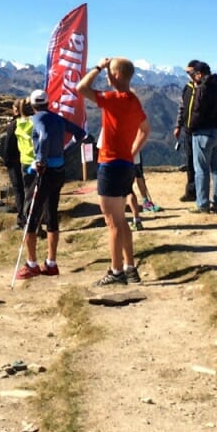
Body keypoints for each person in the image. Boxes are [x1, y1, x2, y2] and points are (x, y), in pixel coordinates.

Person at [77, 57, 150, 286]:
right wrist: (132, 151)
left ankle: (116, 271)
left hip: (110, 164)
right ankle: (130, 268)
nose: (107, 76)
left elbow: (81, 88)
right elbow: (145, 130)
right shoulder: (134, 100)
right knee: (121, 220)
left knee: (113, 223)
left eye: (110, 72)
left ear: (117, 75)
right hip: (126, 165)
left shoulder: (112, 99)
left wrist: (98, 66)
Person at [15, 89, 87, 279]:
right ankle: (51, 263)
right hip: (59, 171)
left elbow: (44, 136)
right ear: (47, 103)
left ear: (32, 105)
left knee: (30, 215)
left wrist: (41, 160)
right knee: (51, 214)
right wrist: (65, 151)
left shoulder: (37, 119)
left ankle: (32, 264)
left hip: (44, 173)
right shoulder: (57, 118)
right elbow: (80, 133)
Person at [187, 62, 217, 212]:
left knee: (201, 170)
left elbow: (197, 111)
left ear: (199, 73)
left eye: (194, 75)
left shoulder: (202, 88)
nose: (193, 78)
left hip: (203, 133)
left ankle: (203, 204)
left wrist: (191, 128)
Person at [173, 61, 199, 202]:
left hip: (201, 131)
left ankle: (202, 193)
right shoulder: (187, 88)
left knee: (201, 163)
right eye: (187, 73)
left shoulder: (204, 88)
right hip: (188, 131)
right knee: (190, 161)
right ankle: (191, 192)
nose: (188, 75)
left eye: (190, 72)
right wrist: (178, 126)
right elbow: (182, 108)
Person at [0, 98, 32, 216]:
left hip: (14, 161)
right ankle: (31, 213)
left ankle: (22, 216)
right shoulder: (31, 122)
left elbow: (8, 144)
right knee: (28, 188)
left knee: (18, 189)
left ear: (17, 110)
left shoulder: (14, 125)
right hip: (28, 159)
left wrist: (6, 161)